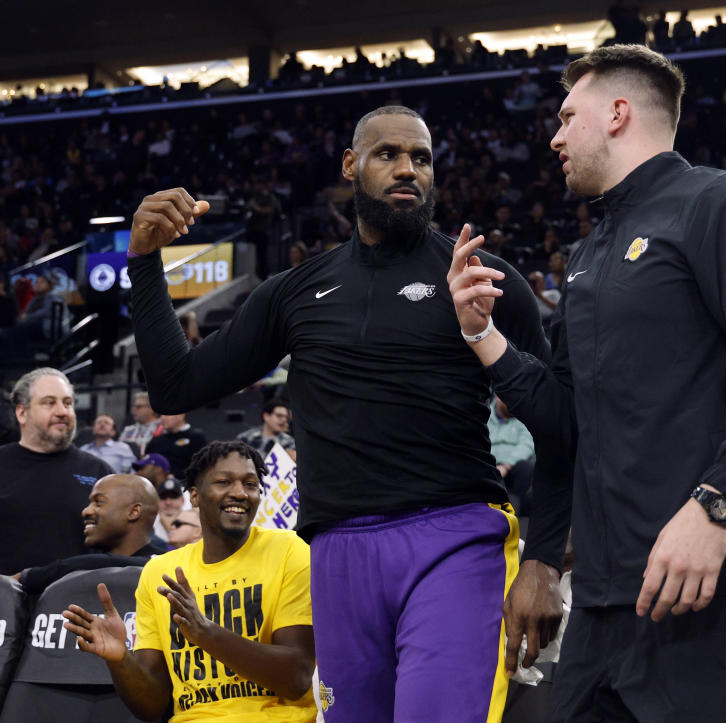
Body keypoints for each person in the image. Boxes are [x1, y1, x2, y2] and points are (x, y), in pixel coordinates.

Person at [447, 43, 726, 721]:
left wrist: (715, 503)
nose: (554, 136)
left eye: (568, 115)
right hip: (607, 600)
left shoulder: (718, 203)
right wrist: (482, 336)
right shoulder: (590, 253)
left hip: (723, 587)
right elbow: (569, 422)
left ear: (618, 113)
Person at [124, 105, 551, 722]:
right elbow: (175, 385)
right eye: (388, 155)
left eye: (422, 159)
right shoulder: (296, 290)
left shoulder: (482, 278)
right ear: (351, 166)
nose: (407, 169)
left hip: (455, 536)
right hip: (338, 552)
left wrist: (542, 560)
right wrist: (145, 265)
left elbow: (562, 424)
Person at [62, 441, 317, 721]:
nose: (240, 493)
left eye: (250, 484)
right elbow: (153, 707)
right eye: (224, 482)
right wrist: (120, 659)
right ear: (194, 496)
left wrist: (206, 633)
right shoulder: (160, 572)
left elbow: (297, 677)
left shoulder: (289, 551)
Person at [0, 367, 113, 575]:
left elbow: (118, 548)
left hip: (77, 602)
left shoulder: (99, 472)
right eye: (49, 402)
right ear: (22, 413)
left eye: (68, 403)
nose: (62, 411)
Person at [16, 473, 167, 594]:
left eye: (99, 502)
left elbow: (102, 563)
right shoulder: (84, 564)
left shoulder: (165, 565)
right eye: (89, 503)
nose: (86, 511)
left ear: (134, 512)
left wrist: (28, 577)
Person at [145, 413, 208, 479]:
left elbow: (203, 466)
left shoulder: (196, 437)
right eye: (161, 415)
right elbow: (146, 464)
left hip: (187, 484)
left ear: (181, 415)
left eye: (167, 414)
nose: (163, 418)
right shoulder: (155, 441)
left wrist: (176, 477)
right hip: (158, 484)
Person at [119, 391, 163, 455]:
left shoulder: (164, 428)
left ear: (151, 408)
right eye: (133, 406)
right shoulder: (128, 430)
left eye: (138, 406)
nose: (134, 409)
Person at [155, 477, 186, 543]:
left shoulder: (193, 522)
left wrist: (169, 527)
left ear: (183, 500)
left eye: (173, 497)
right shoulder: (150, 523)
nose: (168, 502)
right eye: (163, 497)